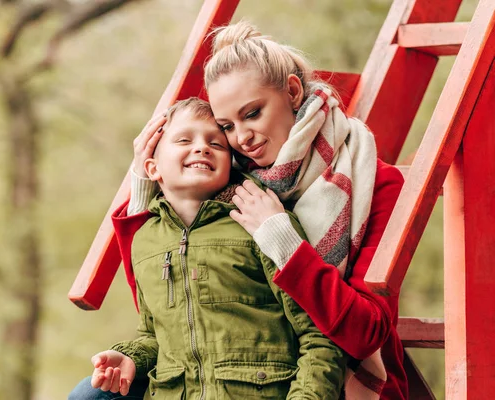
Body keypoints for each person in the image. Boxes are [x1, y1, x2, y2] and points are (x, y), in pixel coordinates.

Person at [109, 21, 407, 399]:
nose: (242, 138)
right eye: (226, 125)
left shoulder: (371, 180)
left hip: (329, 380)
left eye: (253, 114)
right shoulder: (230, 178)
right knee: (94, 392)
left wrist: (282, 242)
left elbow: (365, 335)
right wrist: (144, 188)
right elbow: (171, 303)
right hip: (219, 380)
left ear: (293, 92)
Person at [69, 97, 347, 399]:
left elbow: (317, 333)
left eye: (216, 145)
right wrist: (131, 358)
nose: (202, 147)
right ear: (152, 167)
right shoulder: (147, 239)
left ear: (230, 165)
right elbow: (154, 335)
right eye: (184, 140)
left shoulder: (260, 221)